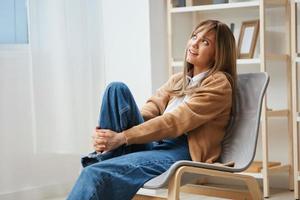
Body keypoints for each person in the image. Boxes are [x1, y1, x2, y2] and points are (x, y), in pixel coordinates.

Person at [67, 19, 237, 200]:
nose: (194, 43)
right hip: (155, 141)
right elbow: (153, 107)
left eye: (205, 42)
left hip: (181, 151)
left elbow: (175, 122)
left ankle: (102, 157)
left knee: (94, 173)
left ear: (218, 53)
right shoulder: (179, 80)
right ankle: (106, 151)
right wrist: (112, 135)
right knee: (115, 89)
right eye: (194, 36)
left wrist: (122, 137)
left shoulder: (219, 83)